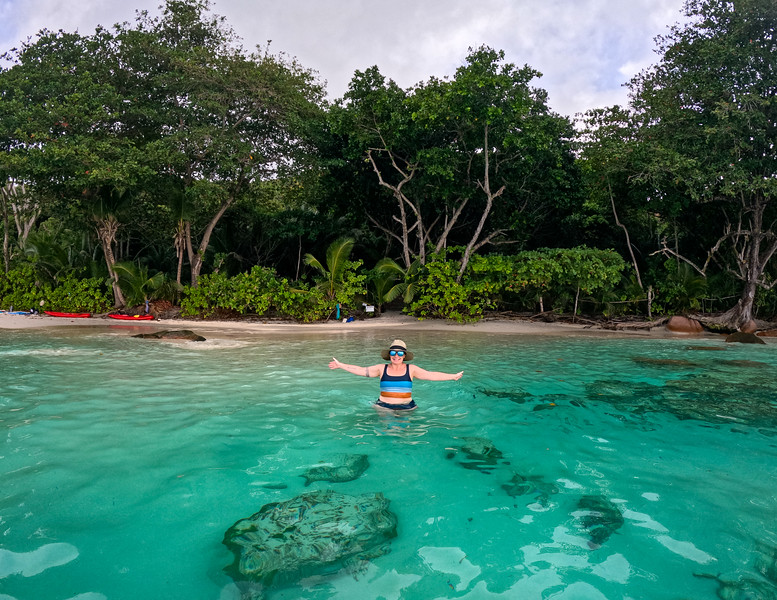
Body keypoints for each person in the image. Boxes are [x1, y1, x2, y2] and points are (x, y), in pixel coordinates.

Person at [329, 339, 463, 410]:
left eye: (400, 353)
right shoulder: (381, 369)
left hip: (407, 407)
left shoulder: (412, 370)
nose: (396, 356)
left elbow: (431, 375)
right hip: (383, 407)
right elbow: (361, 370)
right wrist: (341, 365)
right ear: (389, 355)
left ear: (404, 356)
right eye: (393, 353)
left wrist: (452, 376)